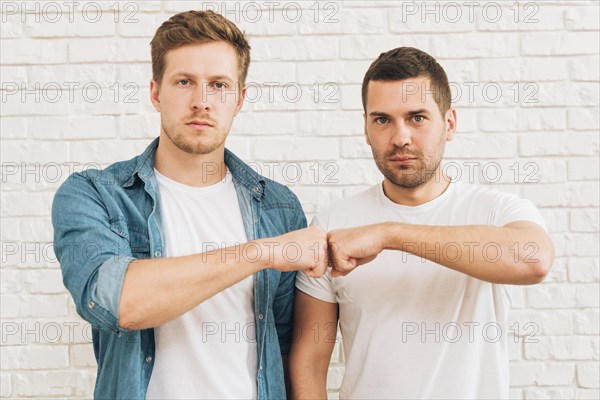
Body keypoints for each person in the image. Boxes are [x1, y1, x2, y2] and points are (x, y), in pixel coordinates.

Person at [52, 10, 327, 400]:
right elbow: (118, 303)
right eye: (184, 82)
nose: (202, 101)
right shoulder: (95, 194)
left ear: (240, 99)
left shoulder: (278, 208)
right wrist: (264, 252)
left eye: (219, 85)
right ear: (155, 92)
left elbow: (283, 347)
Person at [290, 47, 554, 399]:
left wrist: (389, 234)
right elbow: (309, 361)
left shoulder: (496, 211)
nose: (400, 138)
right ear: (366, 129)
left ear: (449, 124)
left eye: (417, 117)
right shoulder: (335, 223)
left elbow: (534, 260)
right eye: (382, 119)